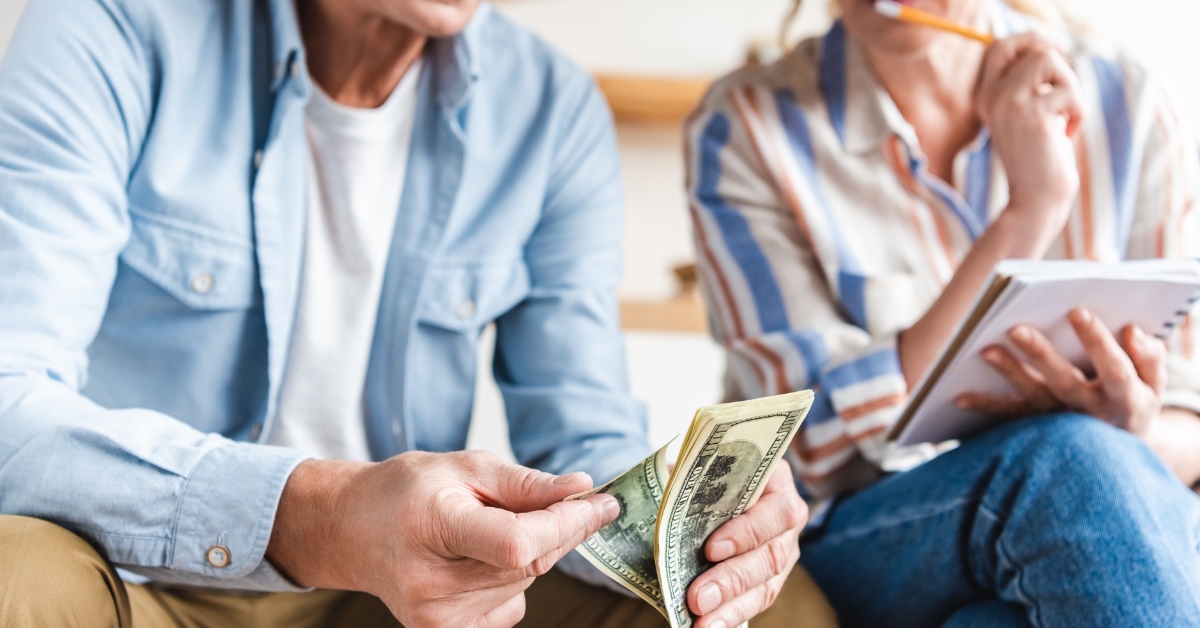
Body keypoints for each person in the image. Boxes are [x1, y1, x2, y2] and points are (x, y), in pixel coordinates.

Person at [0, 0, 822, 625]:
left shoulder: (550, 110)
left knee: (769, 611)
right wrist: (324, 515)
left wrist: (693, 520)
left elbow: (581, 437)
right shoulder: (110, 26)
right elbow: (10, 402)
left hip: (400, 594)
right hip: (132, 578)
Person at [687, 0, 1200, 624]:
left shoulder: (1127, 100)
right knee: (1069, 464)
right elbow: (808, 445)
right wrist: (1031, 211)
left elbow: (1191, 420)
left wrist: (1136, 433)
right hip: (868, 532)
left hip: (1111, 518)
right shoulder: (745, 128)